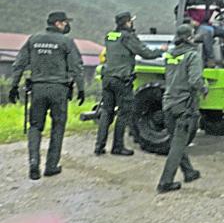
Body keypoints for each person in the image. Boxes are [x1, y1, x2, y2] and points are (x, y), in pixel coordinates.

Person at [9, 11, 85, 180]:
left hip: (38, 88)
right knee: (58, 126)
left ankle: (34, 161)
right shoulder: (67, 41)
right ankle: (51, 166)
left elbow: (19, 64)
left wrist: (14, 86)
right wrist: (81, 88)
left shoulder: (33, 39)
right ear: (58, 23)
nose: (66, 25)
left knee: (35, 126)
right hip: (59, 90)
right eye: (65, 22)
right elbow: (76, 67)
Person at [94, 11, 167, 156]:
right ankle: (117, 147)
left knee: (107, 112)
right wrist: (161, 50)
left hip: (107, 78)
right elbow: (146, 53)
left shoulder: (110, 36)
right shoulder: (128, 37)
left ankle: (99, 146)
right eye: (131, 21)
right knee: (124, 112)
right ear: (127, 22)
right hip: (122, 80)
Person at [157, 24, 205, 193]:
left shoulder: (170, 55)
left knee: (177, 141)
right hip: (183, 105)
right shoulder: (193, 56)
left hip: (168, 102)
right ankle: (165, 182)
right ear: (189, 37)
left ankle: (189, 172)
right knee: (178, 144)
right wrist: (204, 89)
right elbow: (195, 81)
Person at [175, 0, 224, 67]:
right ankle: (210, 59)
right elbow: (178, 10)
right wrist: (190, 21)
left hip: (208, 25)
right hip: (193, 27)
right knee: (207, 31)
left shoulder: (214, 0)